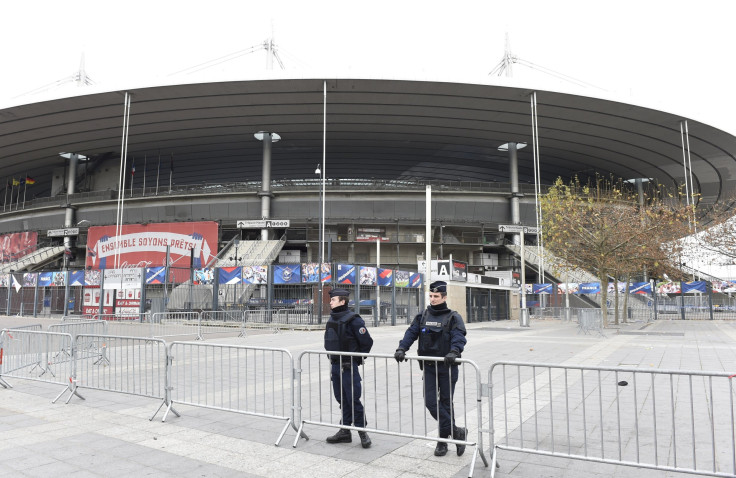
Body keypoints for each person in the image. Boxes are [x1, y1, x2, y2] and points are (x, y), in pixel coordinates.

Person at [394, 280, 468, 457]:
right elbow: (411, 333)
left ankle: (442, 442)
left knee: (445, 403)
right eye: (431, 296)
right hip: (429, 367)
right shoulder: (423, 316)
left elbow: (459, 337)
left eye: (436, 296)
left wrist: (454, 351)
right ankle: (457, 432)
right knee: (430, 402)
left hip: (447, 367)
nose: (433, 299)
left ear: (444, 297)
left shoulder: (453, 317)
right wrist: (402, 348)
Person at [323, 288, 373, 448]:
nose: (330, 302)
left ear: (342, 301)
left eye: (333, 300)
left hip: (348, 366)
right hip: (336, 366)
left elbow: (367, 342)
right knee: (342, 399)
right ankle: (345, 431)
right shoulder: (332, 319)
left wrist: (356, 359)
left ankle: (362, 432)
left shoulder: (354, 320)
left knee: (353, 399)